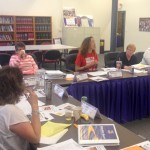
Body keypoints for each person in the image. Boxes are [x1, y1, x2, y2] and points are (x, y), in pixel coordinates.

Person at [0, 66, 41, 150]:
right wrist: (34, 105)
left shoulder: (3, 105)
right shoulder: (10, 111)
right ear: (17, 86)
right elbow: (36, 139)